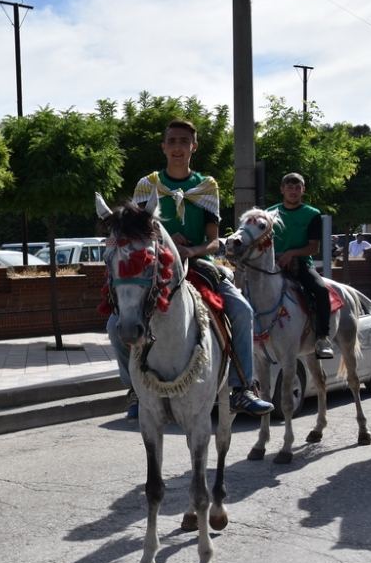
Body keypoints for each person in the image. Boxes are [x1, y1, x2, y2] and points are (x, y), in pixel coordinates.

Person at [108, 119, 274, 420]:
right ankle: (133, 387)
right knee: (113, 324)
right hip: (156, 267)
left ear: (193, 147)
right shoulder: (147, 185)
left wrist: (190, 250)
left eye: (184, 141)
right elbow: (135, 234)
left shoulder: (207, 186)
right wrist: (165, 246)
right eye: (171, 141)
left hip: (198, 264)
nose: (177, 147)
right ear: (163, 146)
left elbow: (214, 242)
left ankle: (242, 387)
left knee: (241, 310)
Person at [267, 172, 334, 359]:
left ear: (303, 190)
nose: (293, 191)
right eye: (289, 187)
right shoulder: (269, 213)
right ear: (282, 189)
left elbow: (314, 247)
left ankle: (322, 337)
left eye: (297, 188)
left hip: (301, 264)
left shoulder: (312, 214)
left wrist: (292, 253)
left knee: (321, 290)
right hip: (273, 265)